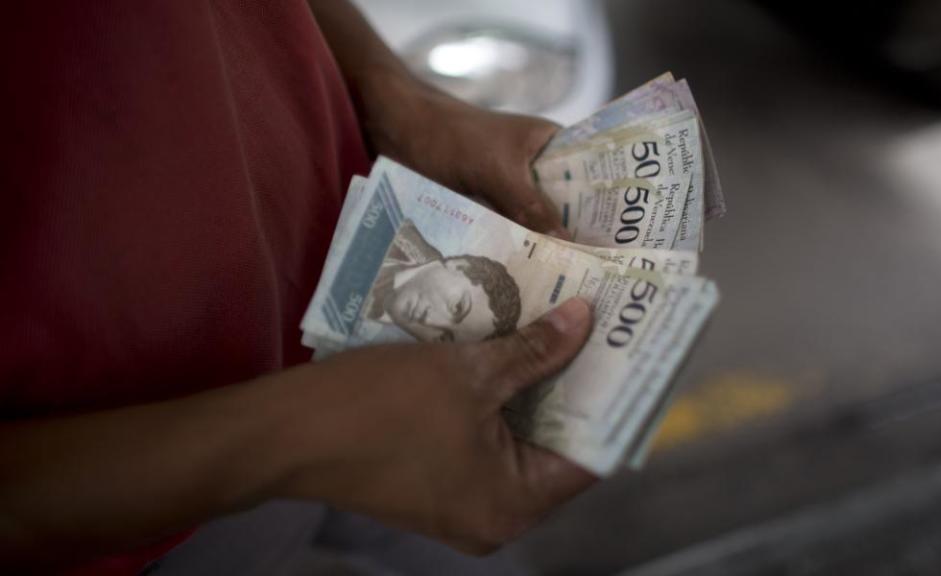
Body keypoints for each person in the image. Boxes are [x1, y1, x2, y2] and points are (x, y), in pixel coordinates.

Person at [0, 1, 596, 573]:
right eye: (458, 307)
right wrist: (304, 435)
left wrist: (393, 92)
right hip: (135, 529)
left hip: (353, 408)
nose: (442, 330)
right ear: (452, 265)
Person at [367, 220, 522, 342]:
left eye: (444, 338)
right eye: (456, 307)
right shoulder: (392, 225)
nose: (430, 321)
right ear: (459, 266)